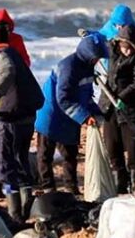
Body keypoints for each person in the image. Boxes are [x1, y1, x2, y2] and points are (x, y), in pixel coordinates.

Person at [0, 23, 45, 221]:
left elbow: (6, 73)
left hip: (12, 119)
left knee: (5, 165)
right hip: (26, 116)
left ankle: (15, 211)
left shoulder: (2, 56)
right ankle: (25, 205)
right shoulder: (14, 54)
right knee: (19, 159)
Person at [34, 31, 108, 194]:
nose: (97, 62)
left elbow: (86, 96)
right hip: (51, 114)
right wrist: (84, 117)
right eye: (95, 58)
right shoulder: (68, 67)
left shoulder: (88, 68)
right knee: (45, 154)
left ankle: (71, 188)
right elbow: (64, 98)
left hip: (69, 116)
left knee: (70, 154)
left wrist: (96, 113)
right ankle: (48, 188)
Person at [99, 25, 135, 194]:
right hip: (109, 106)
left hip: (131, 108)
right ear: (119, 43)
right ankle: (119, 185)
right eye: (125, 48)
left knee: (134, 148)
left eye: (131, 49)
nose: (128, 52)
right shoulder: (111, 48)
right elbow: (95, 43)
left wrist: (121, 98)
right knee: (113, 146)